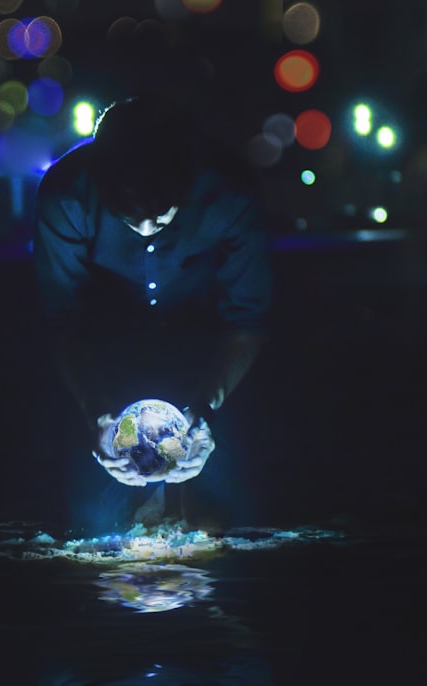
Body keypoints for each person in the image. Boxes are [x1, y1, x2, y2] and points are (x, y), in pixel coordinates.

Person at [33, 94, 273, 534]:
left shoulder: (231, 192)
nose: (146, 229)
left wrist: (206, 407)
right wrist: (97, 414)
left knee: (232, 522)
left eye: (162, 214)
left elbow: (247, 320)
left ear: (189, 175)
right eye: (128, 215)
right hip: (106, 352)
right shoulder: (66, 194)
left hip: (205, 347)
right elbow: (62, 321)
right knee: (91, 526)